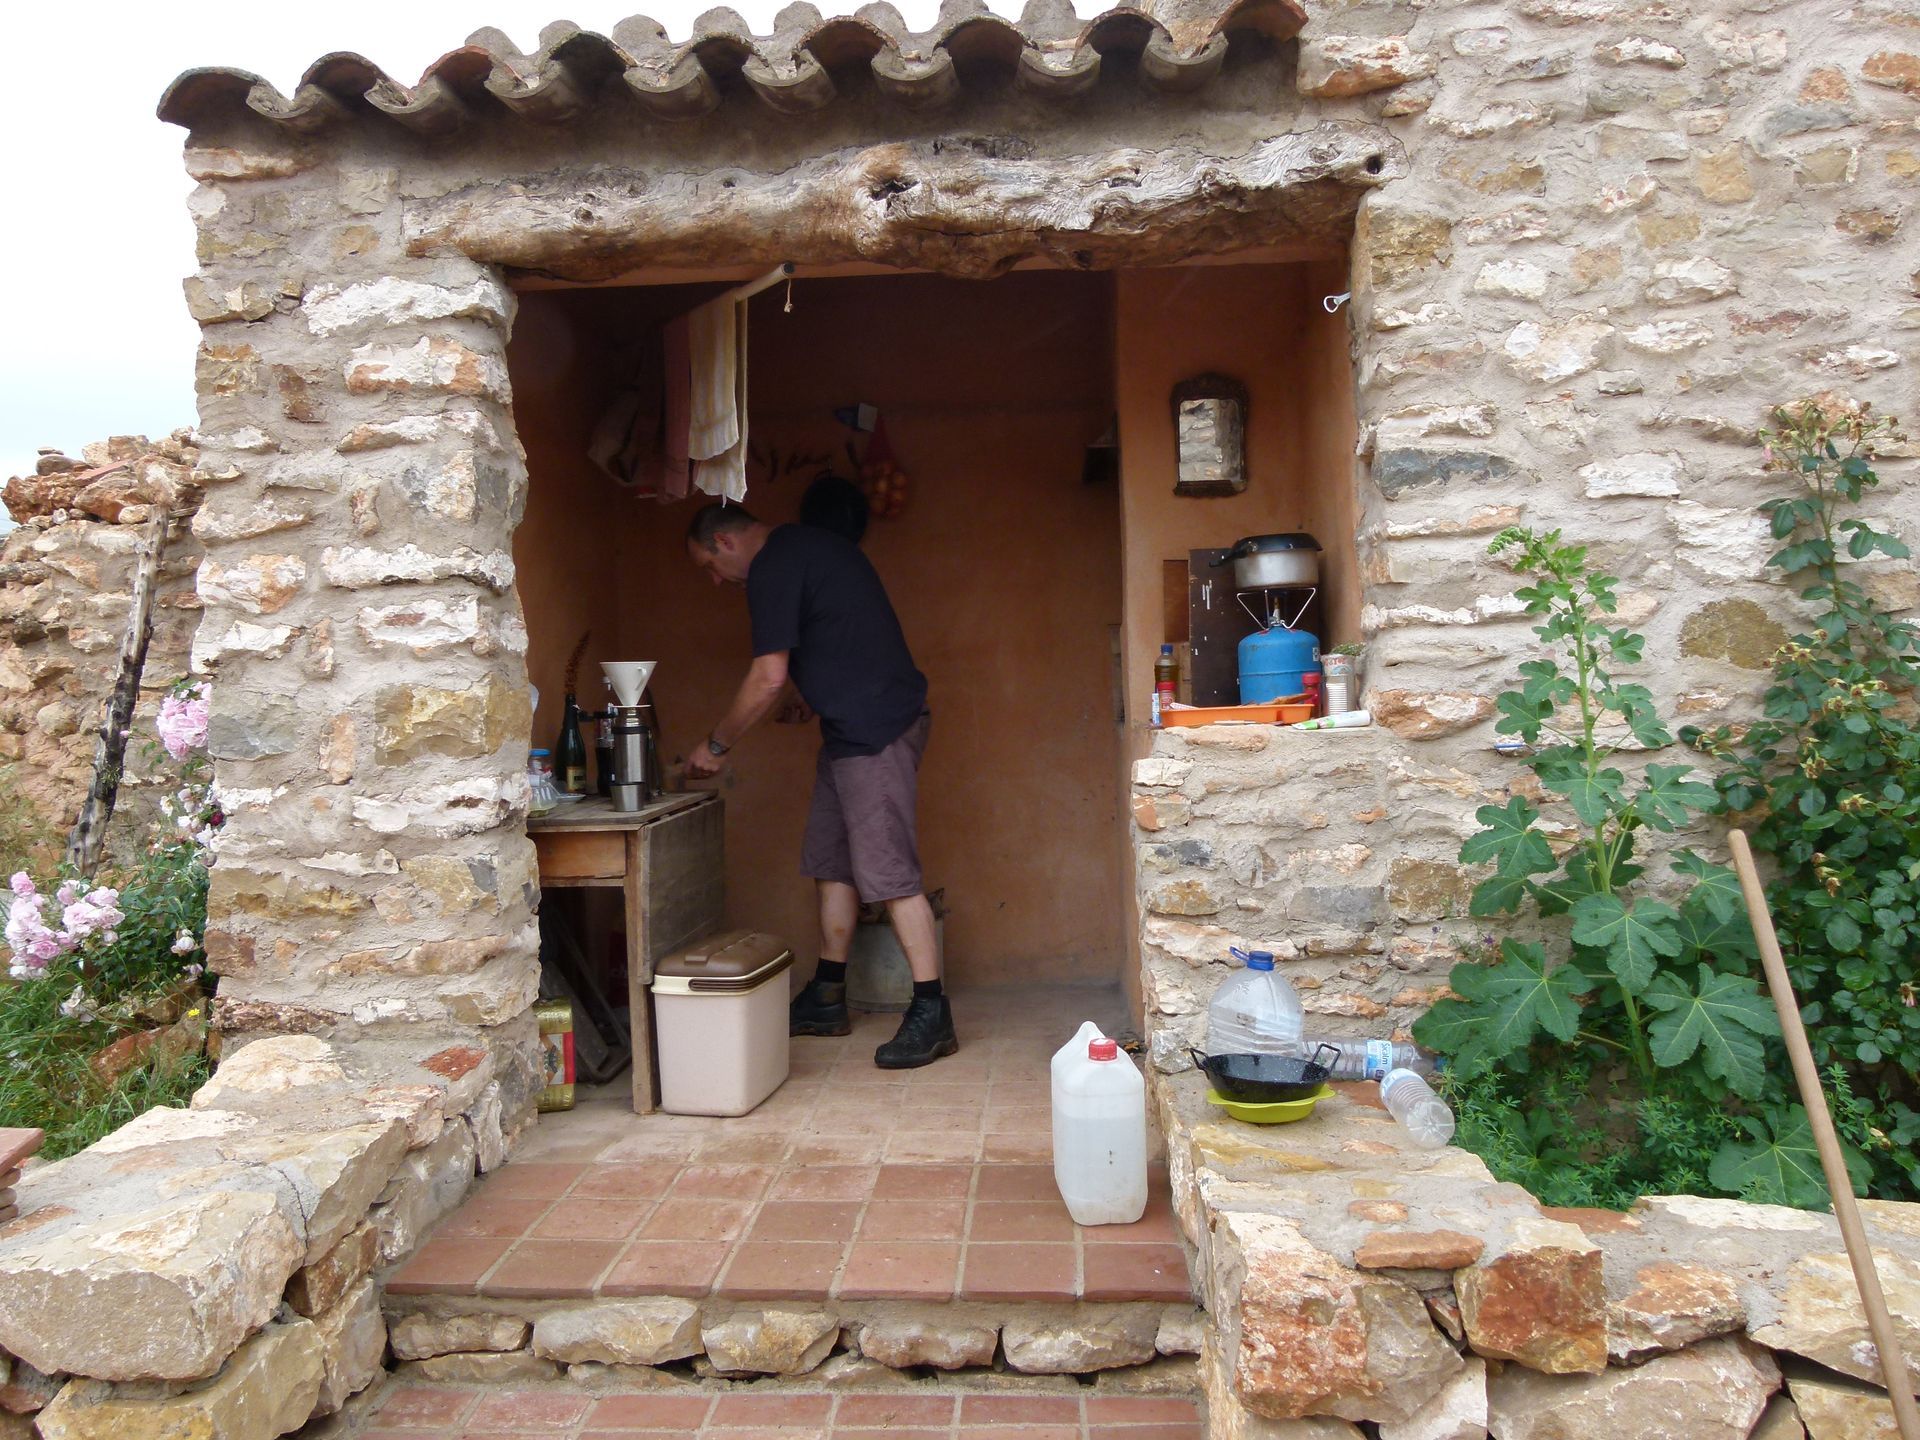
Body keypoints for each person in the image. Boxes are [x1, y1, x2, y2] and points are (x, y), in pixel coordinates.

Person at [684, 502, 956, 1069]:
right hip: (850, 730)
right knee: (831, 860)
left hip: (875, 729)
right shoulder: (804, 549)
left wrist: (715, 746)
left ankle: (933, 1013)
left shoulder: (772, 568)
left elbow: (767, 677)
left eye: (709, 565)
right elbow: (842, 633)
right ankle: (828, 995)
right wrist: (816, 695)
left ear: (727, 542)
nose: (714, 581)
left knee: (889, 873)